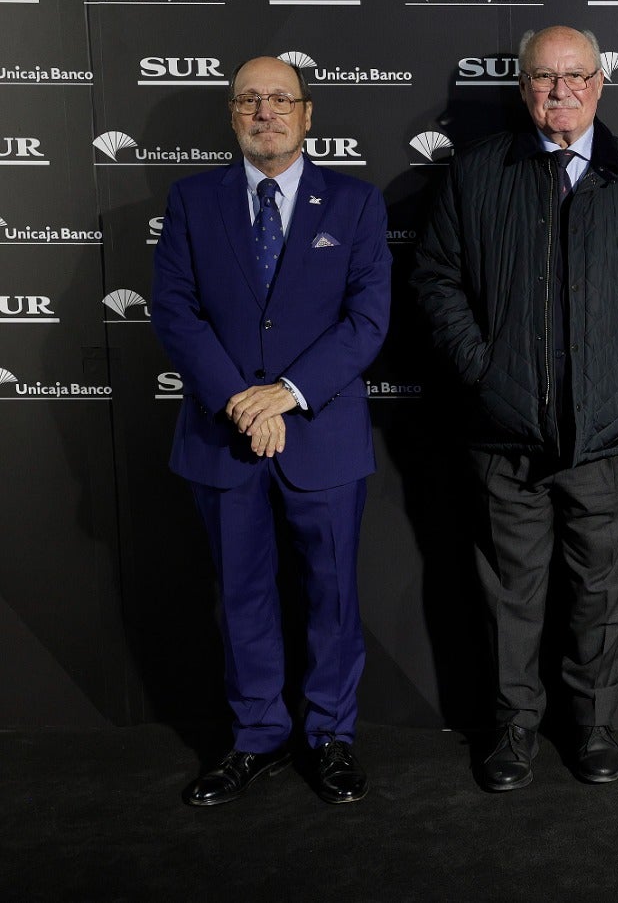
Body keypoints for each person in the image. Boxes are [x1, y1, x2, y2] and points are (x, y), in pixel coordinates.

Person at [412, 26, 618, 789]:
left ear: (601, 84)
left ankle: (591, 727)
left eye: (574, 77)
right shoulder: (477, 172)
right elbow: (436, 281)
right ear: (522, 86)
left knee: (600, 595)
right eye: (542, 78)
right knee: (510, 598)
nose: (559, 91)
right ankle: (512, 731)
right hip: (505, 435)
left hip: (608, 433)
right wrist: (484, 371)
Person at [151, 55, 391, 806]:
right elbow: (175, 313)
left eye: (280, 99)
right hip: (224, 439)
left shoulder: (354, 203)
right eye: (249, 100)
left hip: (321, 438)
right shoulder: (192, 200)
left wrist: (285, 395)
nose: (265, 112)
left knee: (332, 596)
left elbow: (368, 320)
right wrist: (240, 401)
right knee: (243, 596)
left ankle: (330, 738)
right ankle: (255, 738)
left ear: (307, 113)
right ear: (231, 115)